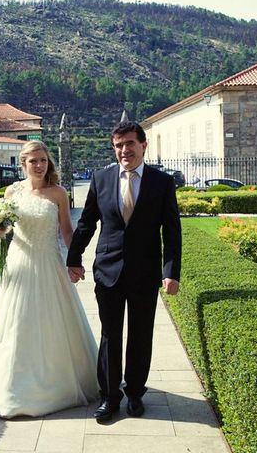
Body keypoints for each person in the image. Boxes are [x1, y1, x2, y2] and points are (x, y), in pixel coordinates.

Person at [67, 120, 182, 421]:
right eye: (118, 145)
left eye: (130, 143)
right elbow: (87, 222)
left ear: (143, 145)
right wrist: (73, 258)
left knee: (141, 335)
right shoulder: (101, 178)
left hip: (145, 272)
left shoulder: (162, 182)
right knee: (110, 335)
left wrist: (171, 272)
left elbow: (172, 232)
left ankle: (134, 394)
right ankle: (109, 397)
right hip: (108, 271)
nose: (124, 150)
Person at [0, 140, 98, 418]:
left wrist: (75, 261)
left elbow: (67, 232)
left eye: (43, 160)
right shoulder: (12, 191)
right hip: (19, 267)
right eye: (33, 161)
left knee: (51, 320)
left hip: (49, 264)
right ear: (23, 164)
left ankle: (57, 383)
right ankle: (12, 386)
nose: (38, 165)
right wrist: (0, 228)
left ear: (49, 163)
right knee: (18, 323)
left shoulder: (59, 193)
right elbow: (8, 226)